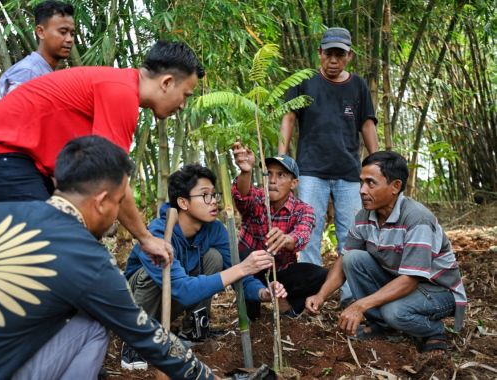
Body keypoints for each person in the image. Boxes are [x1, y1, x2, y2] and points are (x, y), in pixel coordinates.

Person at [0, 136, 217, 380]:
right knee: (93, 321)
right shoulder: (86, 257)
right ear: (103, 201)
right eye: (118, 203)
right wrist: (206, 376)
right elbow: (145, 335)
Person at [0, 40, 205, 265]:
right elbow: (112, 182)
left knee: (66, 241)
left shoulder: (120, 86)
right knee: (53, 243)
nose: (183, 105)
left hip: (18, 161)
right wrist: (146, 238)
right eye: (185, 95)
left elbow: (91, 178)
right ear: (167, 82)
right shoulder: (120, 93)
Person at [124, 163, 287, 370]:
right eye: (205, 195)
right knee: (154, 271)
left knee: (214, 257)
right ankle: (134, 339)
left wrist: (263, 292)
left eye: (214, 195)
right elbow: (182, 290)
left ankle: (194, 328)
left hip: (174, 300)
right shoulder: (158, 233)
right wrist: (243, 268)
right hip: (136, 302)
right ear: (183, 202)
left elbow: (238, 273)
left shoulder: (215, 230)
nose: (214, 202)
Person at [305, 151, 467, 354]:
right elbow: (345, 258)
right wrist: (321, 296)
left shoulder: (417, 219)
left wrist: (360, 306)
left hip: (438, 291)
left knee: (395, 312)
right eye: (361, 182)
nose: (362, 190)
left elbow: (410, 279)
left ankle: (433, 331)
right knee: (353, 258)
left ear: (395, 187)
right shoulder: (364, 216)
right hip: (399, 282)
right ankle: (384, 325)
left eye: (371, 183)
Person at [279, 27, 379, 304]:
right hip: (311, 171)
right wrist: (281, 159)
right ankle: (311, 295)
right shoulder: (305, 81)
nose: (333, 60)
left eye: (340, 54)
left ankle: (350, 296)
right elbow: (288, 118)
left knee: (352, 235)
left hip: (348, 172)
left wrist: (379, 162)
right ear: (319, 53)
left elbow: (366, 123)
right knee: (308, 232)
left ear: (349, 56)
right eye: (328, 54)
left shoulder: (358, 85)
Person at [231, 142, 328, 319]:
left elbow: (301, 236)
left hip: (282, 272)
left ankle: (288, 307)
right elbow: (243, 196)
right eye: (269, 174)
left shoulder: (303, 209)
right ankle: (251, 315)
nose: (273, 181)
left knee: (321, 275)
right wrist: (246, 171)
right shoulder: (258, 198)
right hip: (250, 270)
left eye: (281, 175)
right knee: (247, 255)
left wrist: (286, 239)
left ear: (294, 183)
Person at [0, 1, 75, 99]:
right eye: (63, 32)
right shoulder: (27, 73)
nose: (69, 39)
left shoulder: (43, 71)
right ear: (41, 32)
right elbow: (13, 113)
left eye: (72, 34)